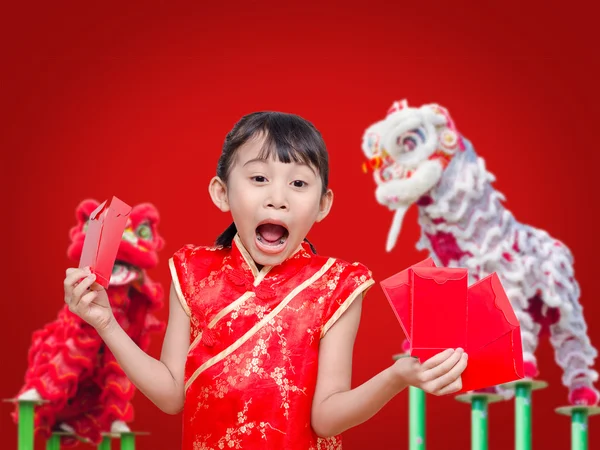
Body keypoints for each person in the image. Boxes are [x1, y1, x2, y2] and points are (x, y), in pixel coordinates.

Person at [63, 111, 468, 449]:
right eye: (259, 179)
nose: (278, 197)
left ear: (323, 203)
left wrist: (397, 377)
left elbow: (326, 418)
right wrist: (106, 323)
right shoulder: (190, 270)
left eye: (298, 183)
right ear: (222, 193)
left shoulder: (338, 283)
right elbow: (172, 395)